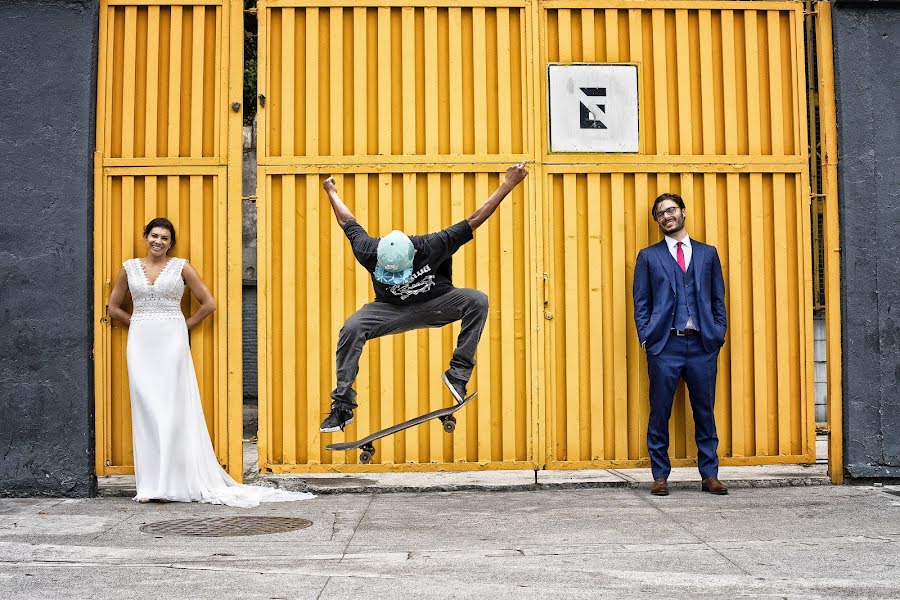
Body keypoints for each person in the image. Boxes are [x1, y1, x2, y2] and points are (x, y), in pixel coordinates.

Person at [107, 217, 314, 506]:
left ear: (170, 243)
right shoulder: (128, 268)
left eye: (164, 238)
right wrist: (138, 322)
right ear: (146, 236)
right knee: (146, 408)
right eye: (154, 236)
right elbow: (113, 308)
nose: (158, 242)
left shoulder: (181, 266)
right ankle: (151, 484)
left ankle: (172, 482)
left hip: (172, 342)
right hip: (140, 343)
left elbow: (209, 303)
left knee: (171, 409)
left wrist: (183, 326)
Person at [319, 163, 529, 433]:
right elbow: (346, 221)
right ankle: (342, 406)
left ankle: (458, 373)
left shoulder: (433, 244)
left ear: (412, 256)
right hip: (388, 309)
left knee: (477, 300)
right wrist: (331, 192)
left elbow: (475, 219)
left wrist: (508, 184)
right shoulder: (368, 249)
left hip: (437, 303)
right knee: (351, 328)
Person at [632, 193, 729, 496]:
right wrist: (647, 336)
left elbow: (718, 298)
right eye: (660, 214)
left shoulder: (707, 253)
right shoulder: (648, 256)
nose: (666, 216)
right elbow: (641, 302)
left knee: (704, 410)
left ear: (683, 212)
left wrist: (718, 332)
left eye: (671, 210)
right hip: (665, 346)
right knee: (659, 411)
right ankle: (660, 475)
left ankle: (709, 475)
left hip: (702, 345)